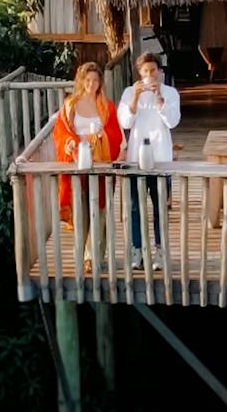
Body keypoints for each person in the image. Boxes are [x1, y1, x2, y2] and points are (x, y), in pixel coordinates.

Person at [117, 52, 180, 270]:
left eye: (153, 70)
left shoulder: (170, 93)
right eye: (145, 71)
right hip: (136, 157)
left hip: (161, 157)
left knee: (160, 207)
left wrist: (160, 100)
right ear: (140, 73)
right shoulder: (129, 92)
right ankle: (137, 251)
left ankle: (160, 252)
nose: (150, 75)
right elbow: (124, 122)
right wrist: (135, 98)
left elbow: (173, 122)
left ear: (159, 71)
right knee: (135, 206)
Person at [52, 62, 122, 232]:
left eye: (95, 80)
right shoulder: (70, 105)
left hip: (100, 162)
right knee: (80, 208)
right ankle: (81, 252)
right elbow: (61, 131)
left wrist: (100, 138)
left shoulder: (107, 106)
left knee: (99, 209)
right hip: (77, 161)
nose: (91, 84)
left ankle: (94, 255)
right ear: (82, 81)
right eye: (88, 80)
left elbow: (115, 133)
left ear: (100, 83)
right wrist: (68, 142)